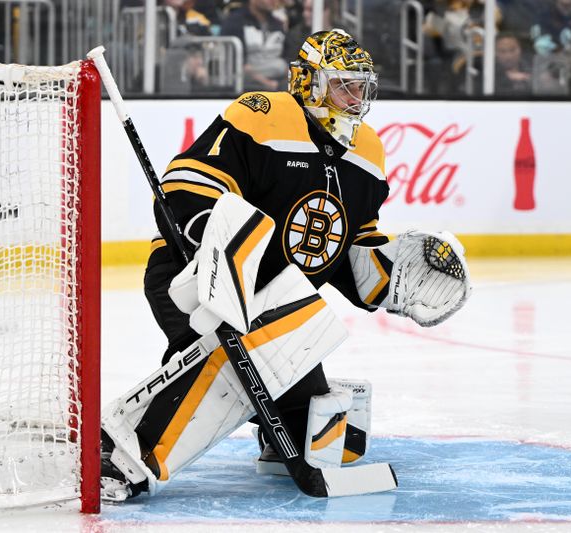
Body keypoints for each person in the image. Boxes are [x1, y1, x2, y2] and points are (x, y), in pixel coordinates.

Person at [99, 28, 472, 501]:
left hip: (281, 304)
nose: (355, 97)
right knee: (232, 367)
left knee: (314, 425)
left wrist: (393, 274)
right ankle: (124, 452)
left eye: (361, 86)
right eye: (342, 84)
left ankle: (275, 435)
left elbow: (352, 247)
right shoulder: (263, 115)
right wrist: (218, 246)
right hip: (194, 276)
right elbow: (188, 184)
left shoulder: (369, 153)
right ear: (309, 83)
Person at [221, 0, 289, 91]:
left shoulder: (278, 24)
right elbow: (236, 65)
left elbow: (287, 58)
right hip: (245, 88)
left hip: (279, 86)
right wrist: (268, 84)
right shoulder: (234, 22)